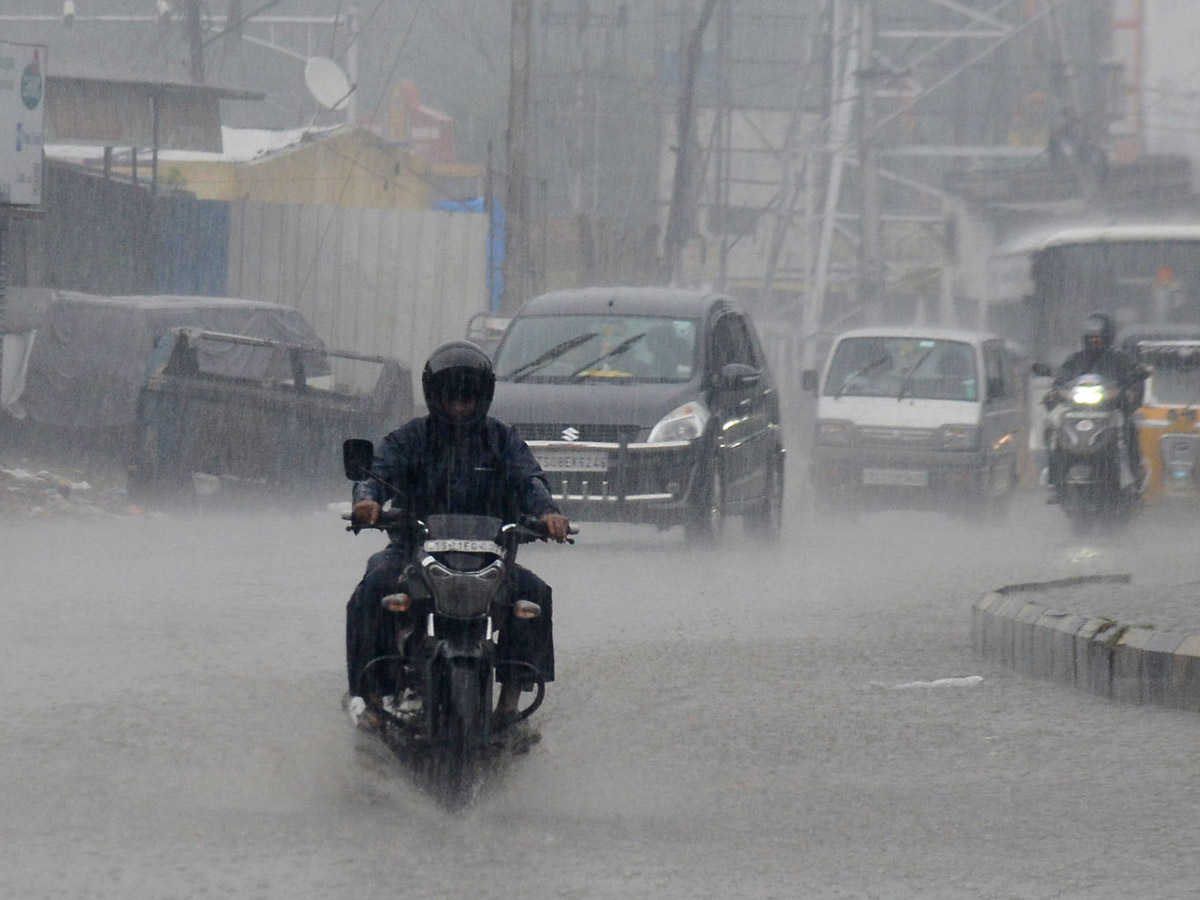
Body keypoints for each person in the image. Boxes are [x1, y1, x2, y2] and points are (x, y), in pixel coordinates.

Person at [345, 340, 571, 727]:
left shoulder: (503, 441)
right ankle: (369, 696)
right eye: (452, 398)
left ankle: (512, 699)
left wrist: (549, 513)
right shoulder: (410, 438)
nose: (460, 407)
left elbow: (529, 481)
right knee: (372, 589)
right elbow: (378, 475)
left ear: (483, 397)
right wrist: (368, 502)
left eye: (469, 398)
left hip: (490, 557)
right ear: (435, 397)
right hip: (413, 554)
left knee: (535, 594)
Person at [1045, 311, 1146, 503]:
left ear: (1108, 338)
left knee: (1128, 429)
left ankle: (1135, 477)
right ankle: (1055, 482)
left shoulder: (1120, 360)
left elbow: (1136, 377)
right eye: (1090, 338)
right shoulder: (1076, 360)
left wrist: (1127, 392)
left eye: (1098, 338)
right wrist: (1056, 392)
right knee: (1052, 431)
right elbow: (1061, 380)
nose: (1094, 342)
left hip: (1111, 411)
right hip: (1077, 413)